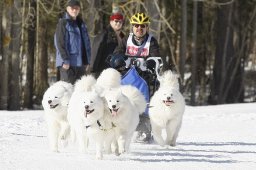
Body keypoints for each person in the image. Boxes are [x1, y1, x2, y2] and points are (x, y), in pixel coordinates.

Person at [113, 12, 161, 143]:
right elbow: (118, 52)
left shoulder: (152, 41)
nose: (139, 28)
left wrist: (151, 63)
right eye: (136, 26)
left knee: (147, 98)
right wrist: (118, 60)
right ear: (132, 27)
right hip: (128, 75)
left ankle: (144, 128)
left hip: (145, 77)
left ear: (147, 28)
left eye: (142, 26)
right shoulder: (125, 40)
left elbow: (156, 56)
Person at [54, 0, 91, 84]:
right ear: (67, 9)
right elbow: (59, 43)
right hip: (67, 64)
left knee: (80, 91)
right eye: (72, 8)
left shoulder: (81, 24)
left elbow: (86, 44)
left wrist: (86, 61)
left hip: (80, 64)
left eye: (77, 8)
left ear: (79, 10)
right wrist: (65, 60)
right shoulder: (63, 23)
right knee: (68, 90)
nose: (74, 10)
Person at [90, 12, 125, 77]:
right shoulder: (104, 34)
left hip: (116, 68)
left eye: (120, 22)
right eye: (116, 21)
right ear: (111, 22)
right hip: (102, 68)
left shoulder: (122, 35)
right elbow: (96, 50)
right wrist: (93, 68)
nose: (118, 23)